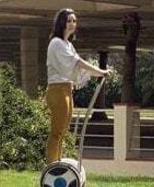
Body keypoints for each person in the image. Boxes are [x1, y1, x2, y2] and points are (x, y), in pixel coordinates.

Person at [45, 8, 108, 163]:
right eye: (69, 21)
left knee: (63, 131)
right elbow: (77, 63)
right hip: (57, 90)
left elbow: (78, 67)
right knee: (57, 132)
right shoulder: (57, 43)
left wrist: (99, 73)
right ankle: (51, 165)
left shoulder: (68, 44)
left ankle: (57, 162)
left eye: (74, 21)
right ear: (61, 23)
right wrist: (99, 71)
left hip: (66, 89)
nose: (72, 24)